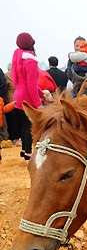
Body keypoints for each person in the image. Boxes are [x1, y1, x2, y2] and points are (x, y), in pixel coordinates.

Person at [12, 32, 49, 160]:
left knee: (24, 124)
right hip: (27, 97)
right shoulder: (30, 61)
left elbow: (25, 83)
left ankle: (23, 150)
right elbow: (31, 85)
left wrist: (41, 94)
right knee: (30, 125)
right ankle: (28, 152)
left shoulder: (17, 57)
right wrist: (39, 104)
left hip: (18, 96)